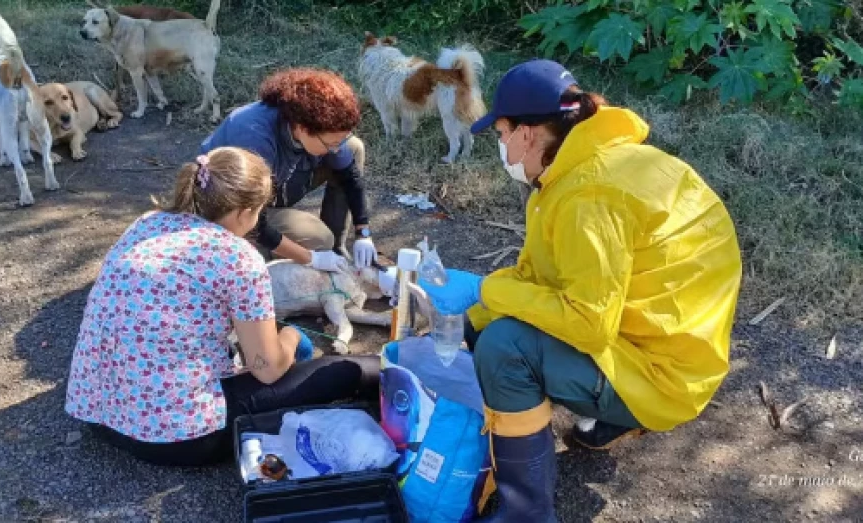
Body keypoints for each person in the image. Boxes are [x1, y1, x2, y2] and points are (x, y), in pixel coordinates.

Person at [417, 60, 743, 521]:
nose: (502, 146)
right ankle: (610, 418)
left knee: (505, 349)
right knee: (483, 327)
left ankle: (527, 511)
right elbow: (552, 278)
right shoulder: (597, 165)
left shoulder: (587, 196)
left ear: (527, 133)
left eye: (501, 133)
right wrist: (479, 312)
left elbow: (587, 325)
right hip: (674, 348)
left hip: (660, 374)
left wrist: (490, 291)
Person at [65, 147, 380, 466]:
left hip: (97, 412)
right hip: (176, 437)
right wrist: (292, 339)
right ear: (245, 213)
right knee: (355, 369)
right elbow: (267, 369)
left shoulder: (148, 223)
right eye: (260, 212)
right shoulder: (239, 257)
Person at [200, 67, 377, 272]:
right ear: (302, 128)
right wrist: (311, 258)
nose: (336, 149)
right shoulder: (253, 138)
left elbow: (350, 176)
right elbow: (252, 219)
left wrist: (363, 232)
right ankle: (261, 253)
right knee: (316, 242)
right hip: (232, 209)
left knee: (354, 148)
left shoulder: (307, 126)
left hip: (274, 188)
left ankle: (336, 249)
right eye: (330, 144)